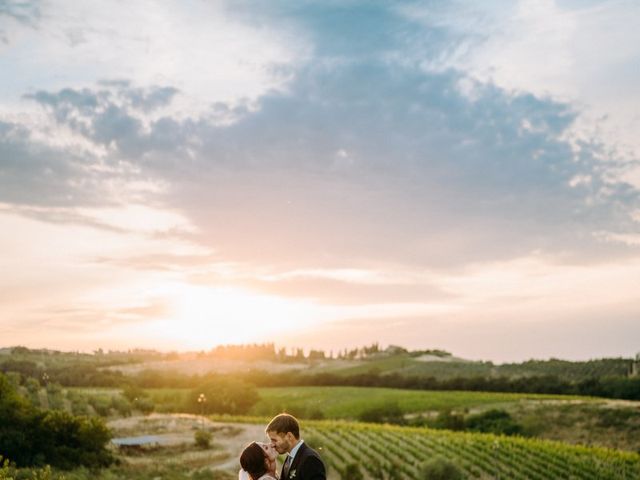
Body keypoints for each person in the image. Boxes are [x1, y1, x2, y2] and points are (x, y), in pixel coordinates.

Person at [266, 413, 326, 480]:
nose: (272, 444)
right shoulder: (289, 459)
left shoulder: (310, 459)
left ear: (289, 436)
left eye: (274, 440)